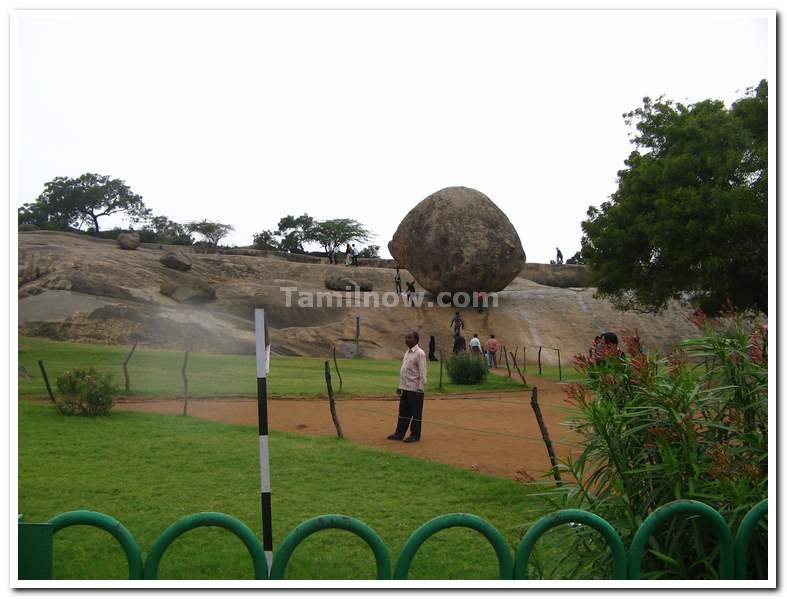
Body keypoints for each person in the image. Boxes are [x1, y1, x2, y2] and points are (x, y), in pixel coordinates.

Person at [387, 331, 427, 443]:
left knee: (416, 414)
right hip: (405, 388)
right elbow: (404, 371)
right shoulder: (407, 353)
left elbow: (422, 373)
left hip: (415, 390)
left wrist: (420, 389)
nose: (406, 339)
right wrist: (400, 386)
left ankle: (415, 435)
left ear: (416, 340)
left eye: (409, 338)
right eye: (406, 337)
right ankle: (399, 434)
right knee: (403, 413)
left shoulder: (420, 353)